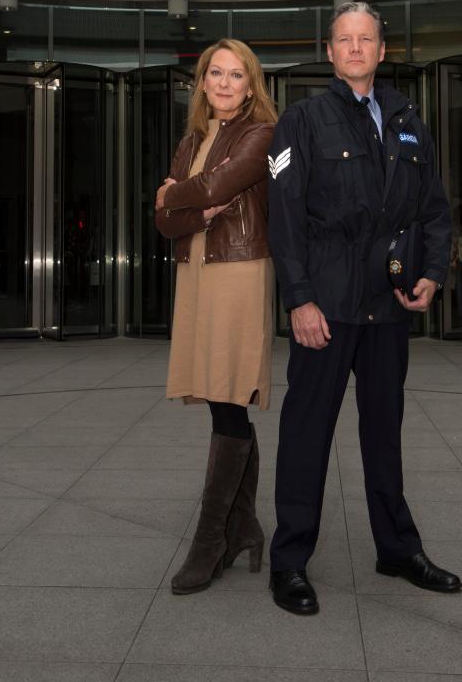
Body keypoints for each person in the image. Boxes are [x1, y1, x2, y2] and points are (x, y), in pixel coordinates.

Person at [266, 1, 462, 615]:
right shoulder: (302, 121)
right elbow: (285, 218)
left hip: (388, 305)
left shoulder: (408, 120)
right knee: (307, 434)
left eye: (366, 39)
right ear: (330, 52)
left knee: (384, 434)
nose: (355, 48)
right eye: (344, 40)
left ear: (382, 50)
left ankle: (397, 548)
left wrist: (432, 272)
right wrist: (299, 299)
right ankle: (290, 562)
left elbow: (434, 209)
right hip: (325, 306)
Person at [155, 38, 276, 595]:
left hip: (238, 271)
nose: (225, 84)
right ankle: (244, 526)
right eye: (215, 74)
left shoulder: (260, 133)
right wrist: (187, 206)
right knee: (222, 402)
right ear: (202, 82)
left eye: (236, 75)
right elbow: (164, 224)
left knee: (229, 397)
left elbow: (222, 185)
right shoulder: (192, 139)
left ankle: (210, 541)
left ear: (251, 84)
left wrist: (177, 196)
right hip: (198, 271)